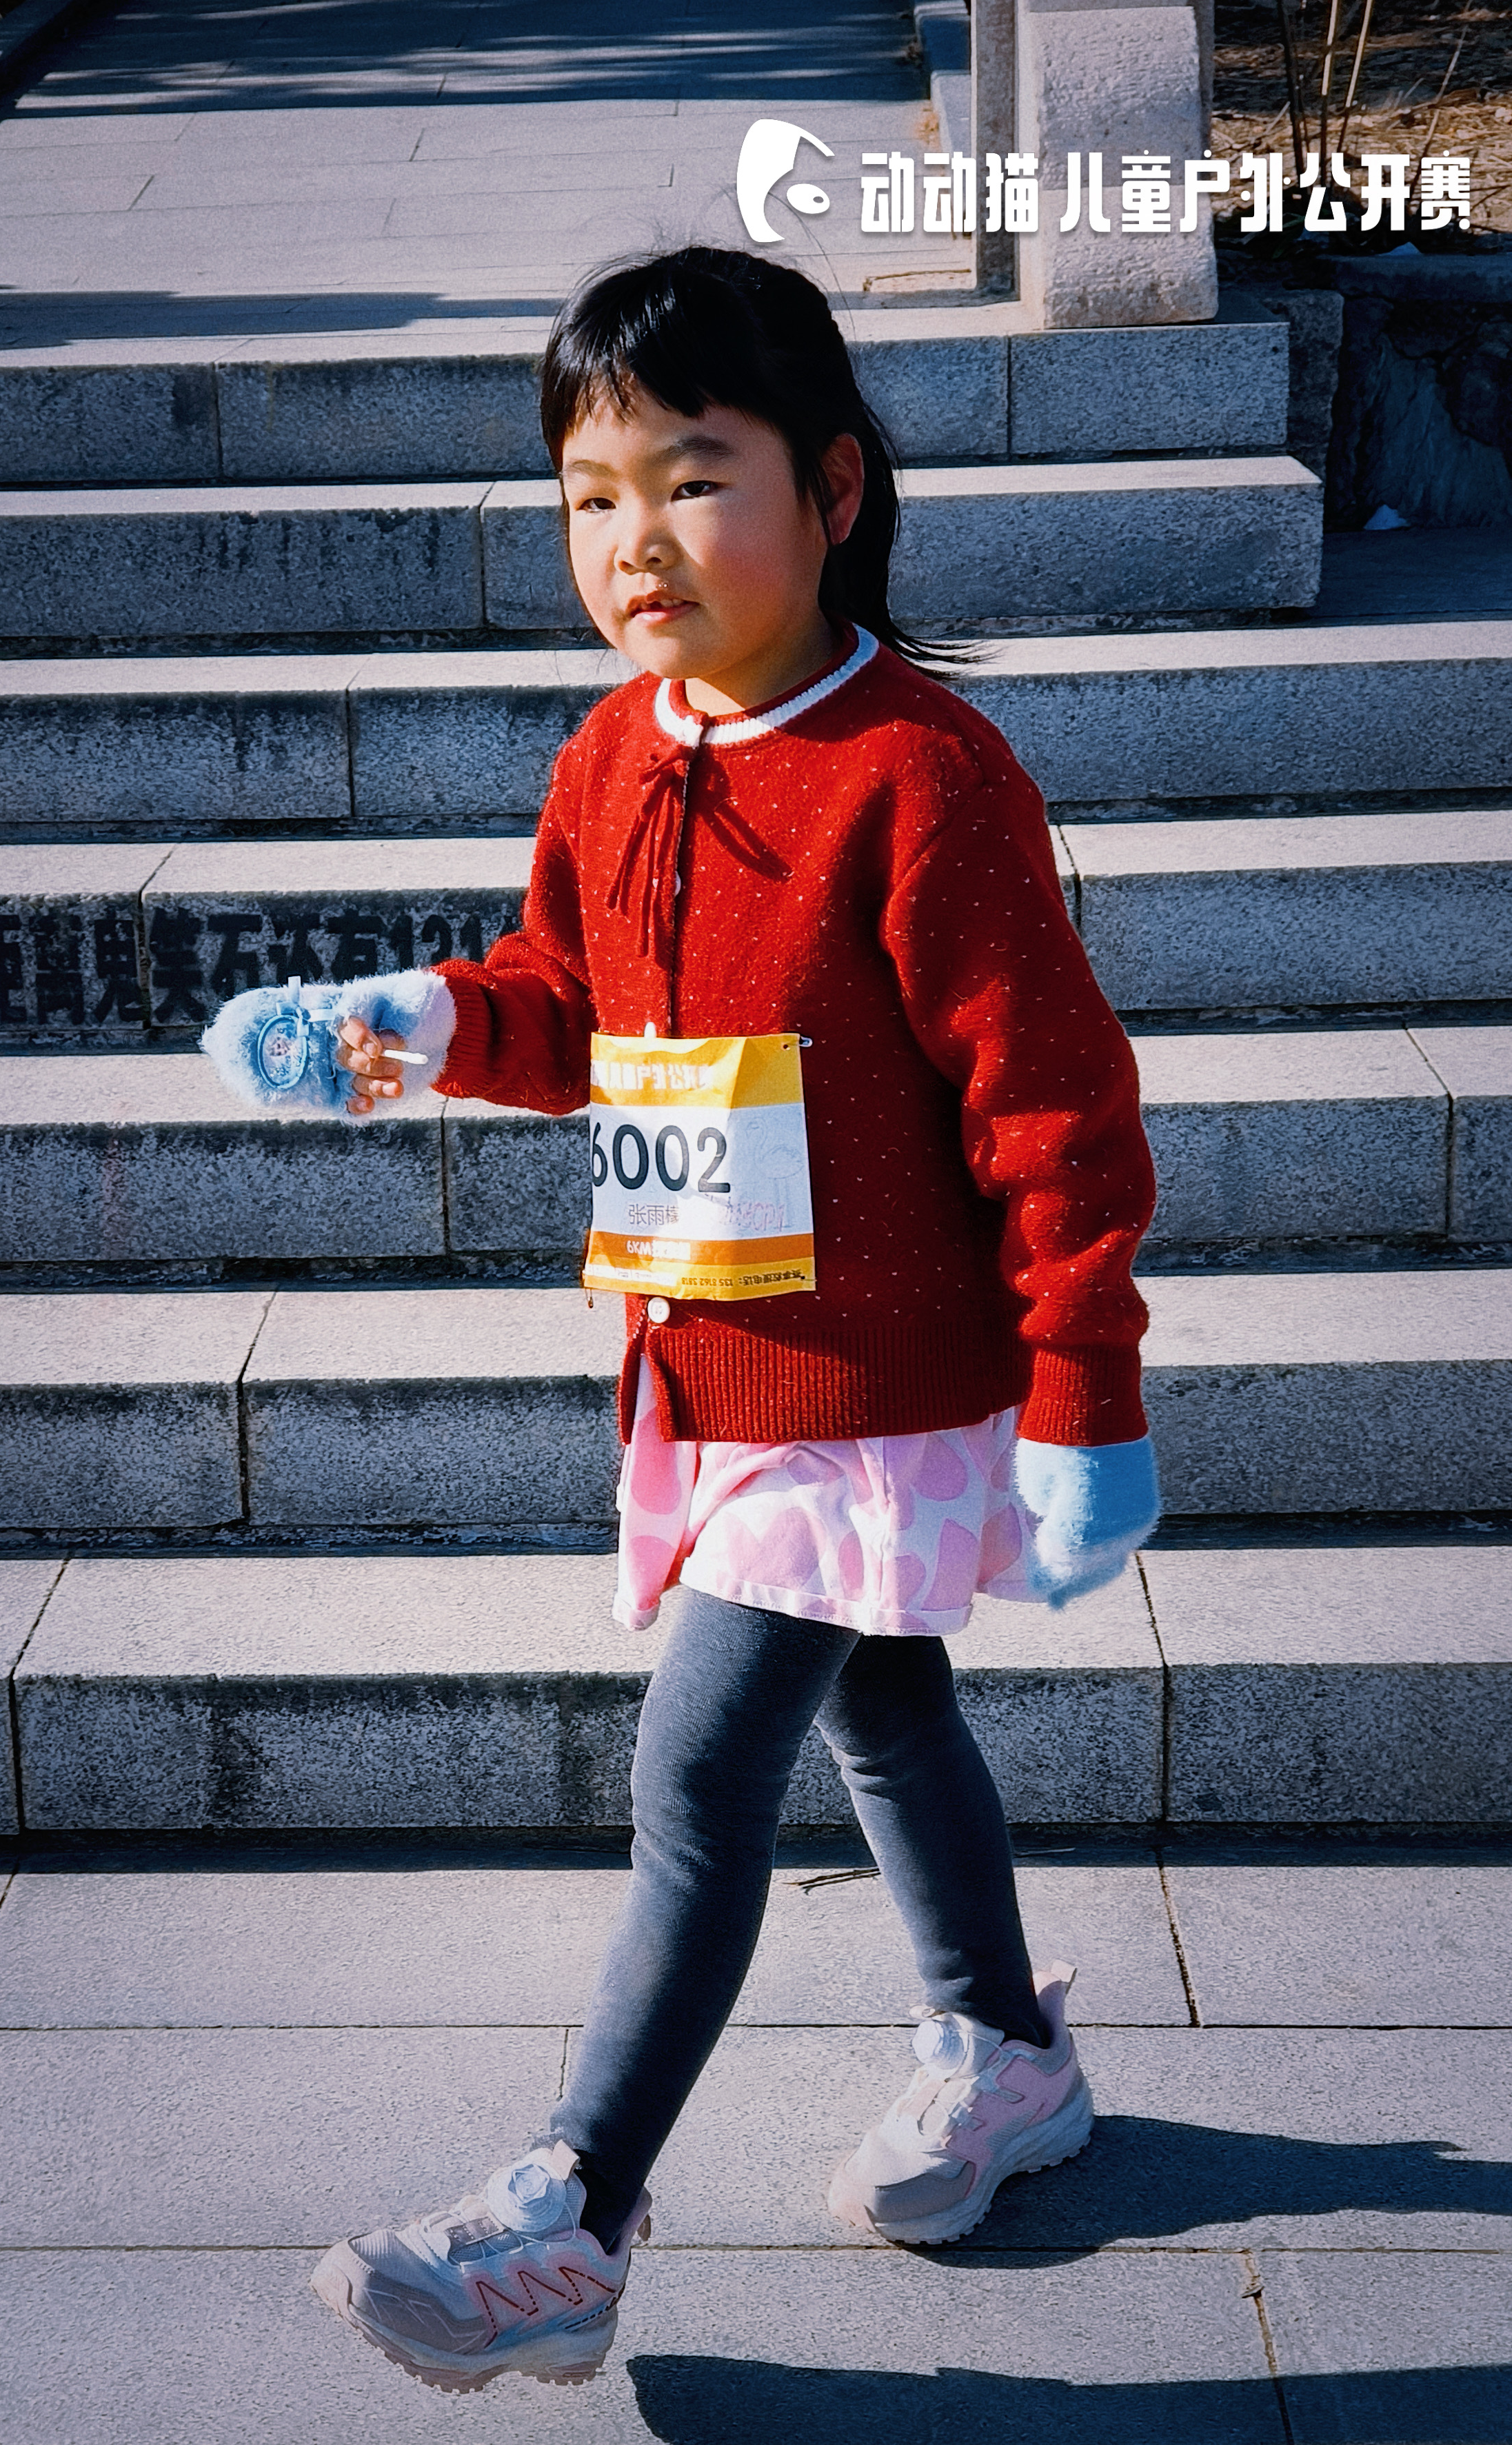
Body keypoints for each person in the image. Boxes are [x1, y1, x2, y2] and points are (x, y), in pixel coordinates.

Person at [203, 245, 1160, 2397]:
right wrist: (415, 1017)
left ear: (835, 488)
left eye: (693, 475)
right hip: (703, 1358)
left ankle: (571, 2214)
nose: (634, 536)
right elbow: (569, 1004)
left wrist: (1082, 1392)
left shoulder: (922, 777)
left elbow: (1053, 1109)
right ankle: (1007, 2050)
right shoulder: (614, 756)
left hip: (865, 1381)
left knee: (704, 1771)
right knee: (885, 1704)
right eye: (590, 492)